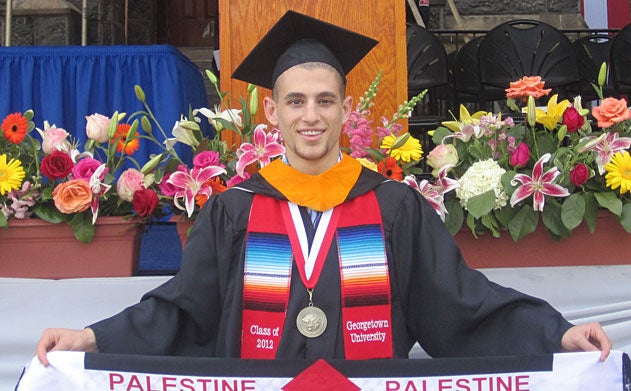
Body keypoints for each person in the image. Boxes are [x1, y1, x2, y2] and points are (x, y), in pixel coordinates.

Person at [36, 10, 611, 365]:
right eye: (296, 101)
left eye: (325, 100)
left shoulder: (393, 207)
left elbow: (461, 302)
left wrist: (556, 335)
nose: (311, 116)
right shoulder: (232, 211)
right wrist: (90, 338)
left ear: (344, 110)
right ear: (272, 111)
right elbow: (183, 311)